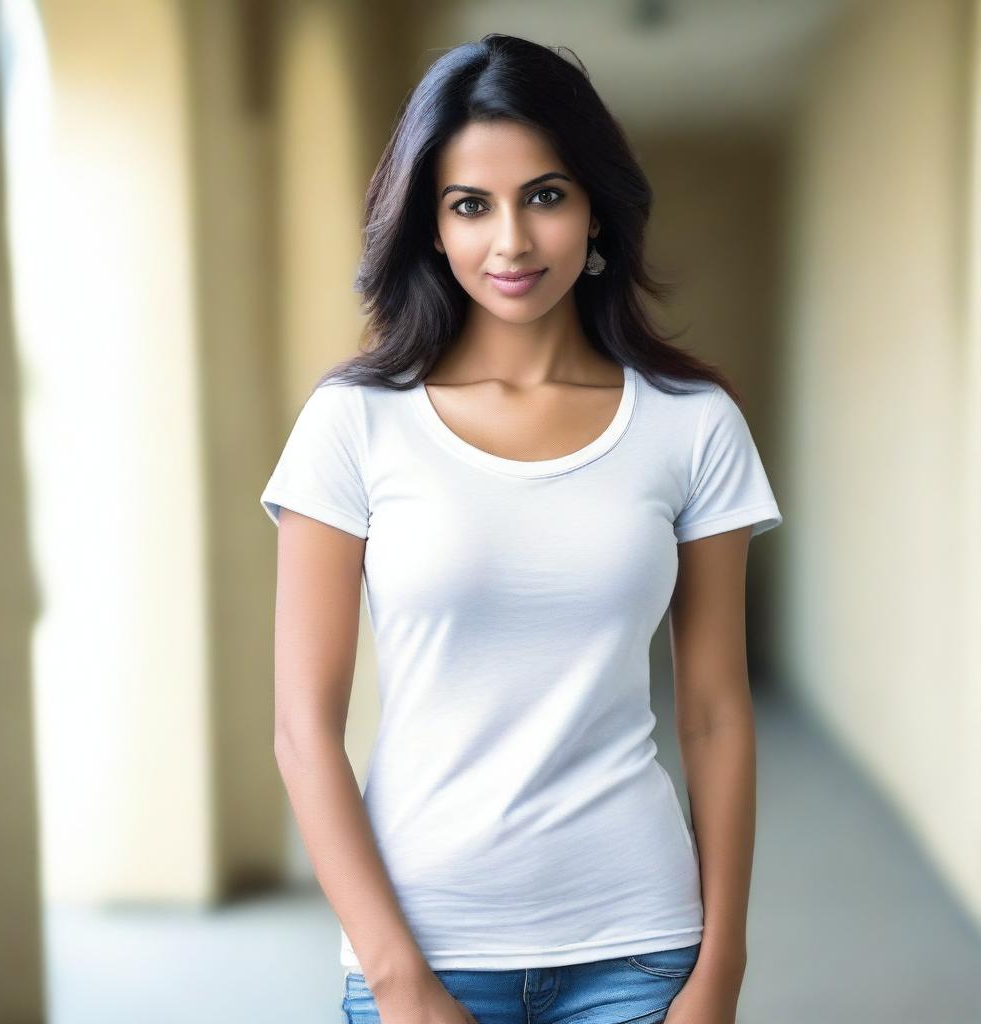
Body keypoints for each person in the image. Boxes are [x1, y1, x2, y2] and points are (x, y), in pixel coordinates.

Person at [261, 33, 782, 1024]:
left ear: (595, 213)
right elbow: (301, 731)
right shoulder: (355, 423)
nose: (511, 241)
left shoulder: (691, 423)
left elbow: (715, 712)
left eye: (543, 195)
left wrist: (719, 971)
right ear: (431, 227)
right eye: (471, 205)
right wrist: (399, 979)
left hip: (638, 946)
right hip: (421, 949)